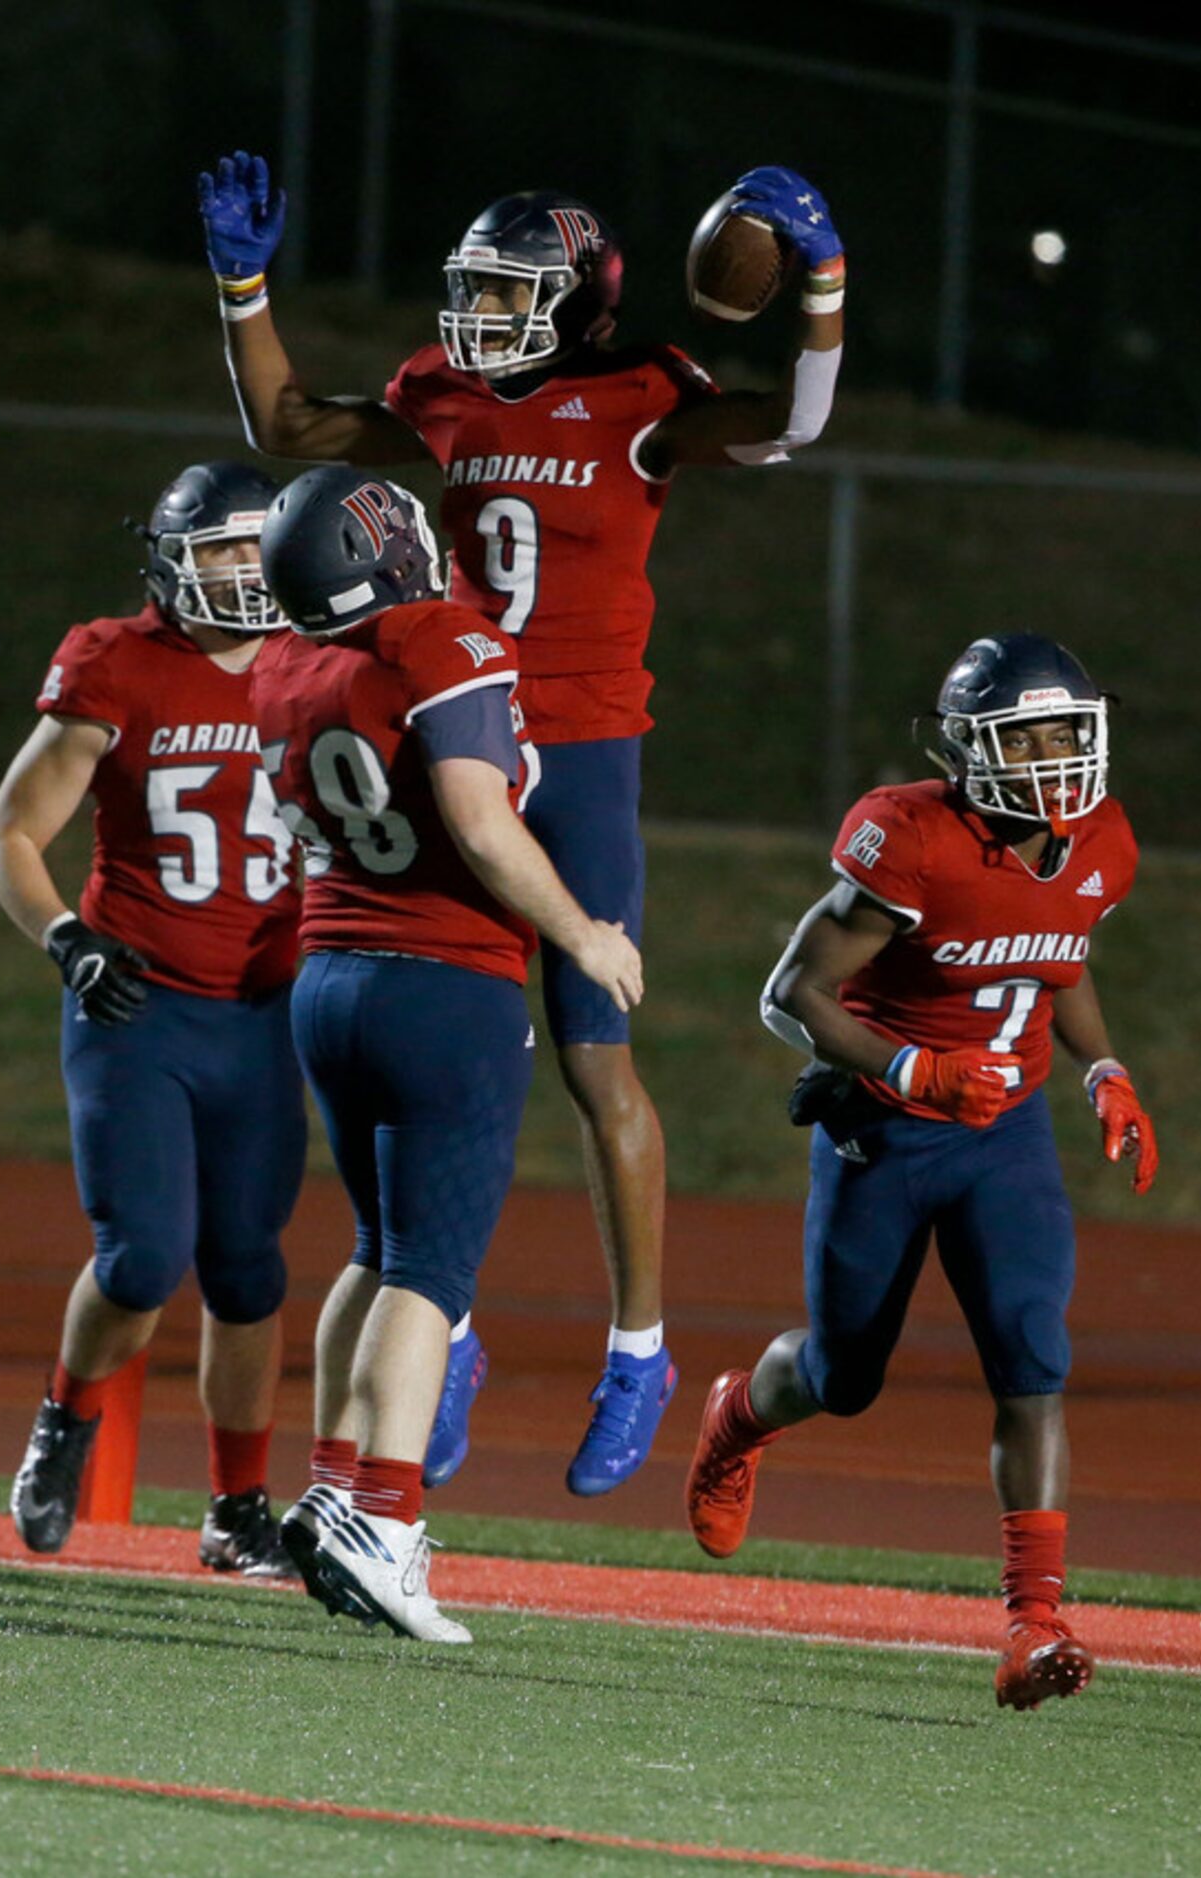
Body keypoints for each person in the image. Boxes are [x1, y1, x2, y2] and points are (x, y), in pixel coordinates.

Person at [197, 150, 846, 1496]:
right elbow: (287, 431)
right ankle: (453, 1327)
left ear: (574, 304)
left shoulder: (642, 394)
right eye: (471, 290)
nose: (476, 316)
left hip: (588, 754)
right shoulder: (438, 394)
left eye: (506, 292)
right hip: (465, 741)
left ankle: (640, 1350)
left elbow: (794, 424)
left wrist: (824, 286)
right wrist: (241, 286)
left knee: (594, 1063)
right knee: (440, 1040)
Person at [683, 633, 1159, 1711]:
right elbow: (790, 993)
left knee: (1034, 1355)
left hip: (1005, 1132)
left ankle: (1033, 1625)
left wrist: (1106, 1070)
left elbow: (1058, 958)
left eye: (1068, 734)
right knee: (845, 1379)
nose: (1055, 760)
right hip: (887, 1129)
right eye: (1026, 738)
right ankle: (738, 1417)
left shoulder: (1103, 842)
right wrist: (914, 1066)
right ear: (972, 750)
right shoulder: (912, 838)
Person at [249, 465, 643, 1643]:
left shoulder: (282, 662)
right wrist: (580, 930)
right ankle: (387, 1520)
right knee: (430, 1271)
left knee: (372, 1252)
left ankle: (327, 1487)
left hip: (329, 978)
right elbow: (479, 819)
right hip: (444, 983)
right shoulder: (442, 640)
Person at [0, 462, 307, 1576]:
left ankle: (237, 1509)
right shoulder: (116, 662)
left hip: (269, 1011)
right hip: (141, 1003)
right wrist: (67, 940)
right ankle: (65, 1422)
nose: (244, 572)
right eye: (220, 549)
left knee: (249, 1272)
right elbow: (10, 833)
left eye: (258, 547)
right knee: (141, 1259)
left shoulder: (326, 661)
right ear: (171, 560)